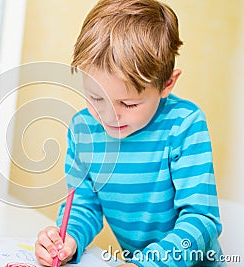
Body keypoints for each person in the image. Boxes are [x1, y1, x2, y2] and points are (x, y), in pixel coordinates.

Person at [35, 0, 224, 266]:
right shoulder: (84, 130)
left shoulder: (184, 124)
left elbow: (201, 220)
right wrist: (69, 239)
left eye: (129, 103)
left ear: (167, 84)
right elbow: (83, 205)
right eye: (95, 98)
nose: (109, 115)